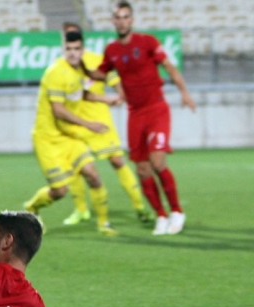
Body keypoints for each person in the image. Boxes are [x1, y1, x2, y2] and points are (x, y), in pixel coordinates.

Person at [82, 1, 196, 235]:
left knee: (157, 162)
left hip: (156, 109)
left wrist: (184, 92)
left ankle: (176, 211)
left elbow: (169, 67)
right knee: (142, 170)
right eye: (117, 17)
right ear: (113, 21)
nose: (121, 21)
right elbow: (100, 74)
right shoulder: (112, 50)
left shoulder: (148, 42)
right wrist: (80, 66)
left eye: (125, 16)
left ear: (131, 20)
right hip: (134, 114)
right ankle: (161, 215)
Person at [23, 30, 120, 236]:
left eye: (77, 49)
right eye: (69, 49)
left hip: (67, 137)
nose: (73, 53)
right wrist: (89, 124)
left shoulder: (80, 69)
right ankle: (32, 207)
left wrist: (107, 99)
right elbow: (58, 110)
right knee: (60, 191)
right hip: (47, 139)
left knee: (93, 175)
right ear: (63, 49)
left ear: (82, 50)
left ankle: (104, 224)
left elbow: (80, 93)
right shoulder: (56, 72)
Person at [58, 22, 153, 226]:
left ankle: (139, 206)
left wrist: (119, 93)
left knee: (118, 161)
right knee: (76, 168)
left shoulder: (94, 60)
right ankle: (81, 210)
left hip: (100, 121)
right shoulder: (61, 67)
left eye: (74, 40)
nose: (70, 45)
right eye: (66, 39)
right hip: (76, 125)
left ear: (81, 42)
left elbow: (112, 77)